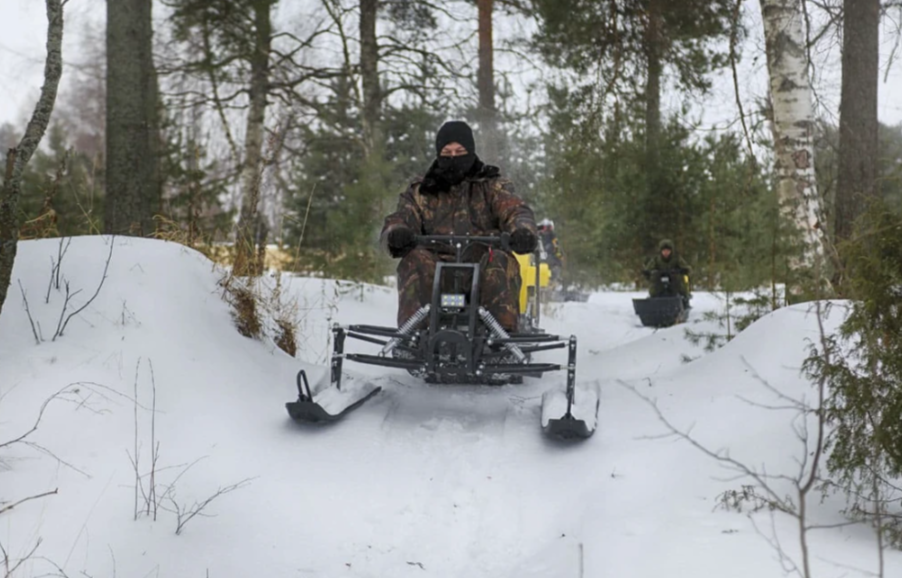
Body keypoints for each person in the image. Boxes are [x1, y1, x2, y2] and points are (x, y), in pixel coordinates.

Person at [380, 120, 538, 332]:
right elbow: (401, 216)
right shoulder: (422, 190)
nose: (453, 157)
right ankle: (413, 334)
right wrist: (397, 233)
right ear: (438, 153)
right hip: (437, 271)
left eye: (460, 151)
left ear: (470, 151)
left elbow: (515, 210)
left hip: (481, 269)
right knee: (415, 259)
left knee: (500, 260)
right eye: (447, 151)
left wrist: (523, 231)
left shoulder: (492, 186)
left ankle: (501, 339)